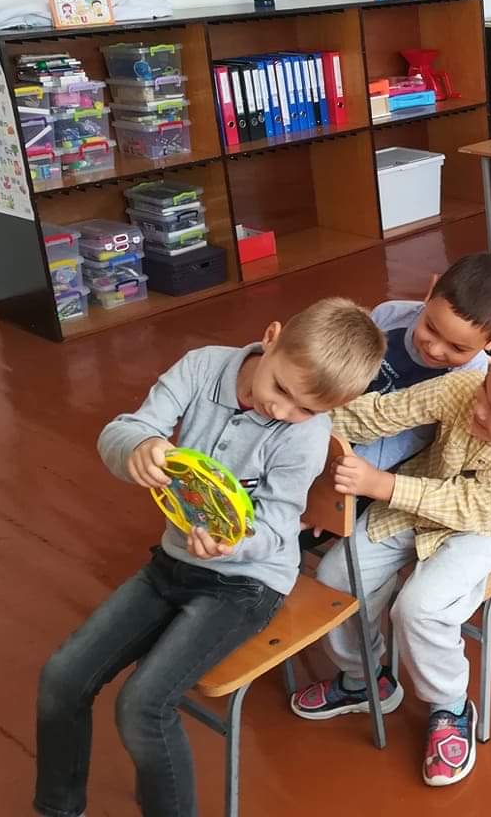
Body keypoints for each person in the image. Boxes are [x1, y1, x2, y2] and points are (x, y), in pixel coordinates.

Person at [35, 298, 386, 817]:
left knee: (143, 706)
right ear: (271, 336)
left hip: (248, 584)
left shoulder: (306, 435)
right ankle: (58, 809)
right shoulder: (202, 367)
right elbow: (123, 429)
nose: (282, 412)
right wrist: (139, 447)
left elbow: (277, 527)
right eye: (281, 389)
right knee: (62, 677)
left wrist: (234, 543)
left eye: (306, 409)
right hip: (173, 564)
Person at [290, 341, 491, 789]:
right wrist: (303, 411)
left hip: (488, 527)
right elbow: (379, 414)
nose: (480, 410)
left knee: (420, 609)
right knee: (336, 579)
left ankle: (450, 704)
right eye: (487, 390)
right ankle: (365, 678)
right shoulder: (465, 387)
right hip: (418, 498)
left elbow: (468, 507)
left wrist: (382, 485)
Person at [340, 252, 491, 474]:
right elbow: (346, 363)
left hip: (402, 434)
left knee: (346, 469)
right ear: (430, 292)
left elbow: (423, 434)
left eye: (457, 348)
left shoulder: (472, 374)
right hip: (351, 401)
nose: (434, 350)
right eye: (431, 328)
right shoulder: (390, 314)